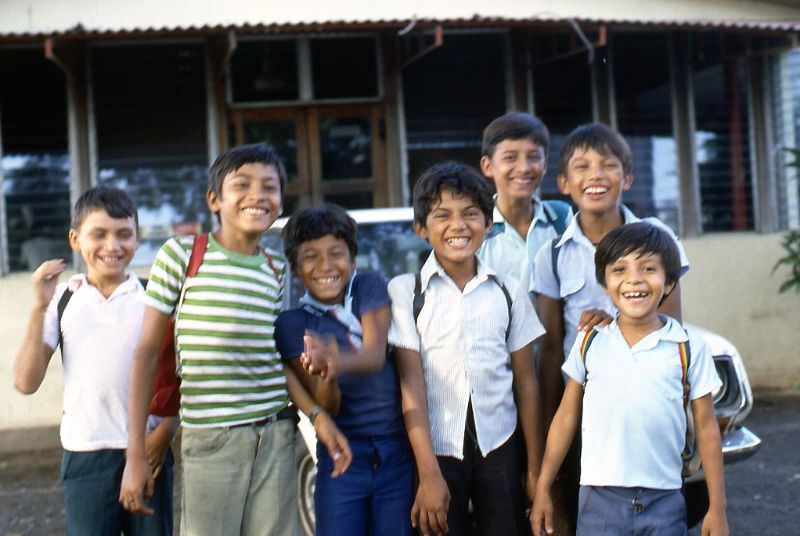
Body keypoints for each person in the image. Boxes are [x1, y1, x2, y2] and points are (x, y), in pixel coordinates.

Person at [119, 143, 349, 536]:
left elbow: (273, 359)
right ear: (215, 199)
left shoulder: (275, 269)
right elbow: (145, 355)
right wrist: (136, 454)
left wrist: (315, 416)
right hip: (212, 441)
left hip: (277, 435)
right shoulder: (182, 255)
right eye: (242, 184)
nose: (258, 195)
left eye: (270, 186)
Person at [531, 123, 691, 531]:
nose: (596, 175)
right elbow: (551, 348)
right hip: (583, 407)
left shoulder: (660, 241)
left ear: (628, 176)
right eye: (582, 167)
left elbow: (673, 329)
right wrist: (550, 421)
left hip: (646, 404)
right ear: (564, 183)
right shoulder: (552, 254)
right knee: (585, 509)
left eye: (608, 165)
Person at [531, 222, 728, 536]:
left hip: (664, 498)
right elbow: (566, 417)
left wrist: (717, 508)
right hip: (599, 500)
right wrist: (543, 486)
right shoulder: (590, 342)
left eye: (648, 268)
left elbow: (706, 428)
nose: (634, 279)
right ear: (605, 283)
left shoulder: (688, 347)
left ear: (669, 282)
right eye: (619, 269)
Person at [388, 161, 545, 536]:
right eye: (442, 216)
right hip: (435, 448)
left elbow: (526, 384)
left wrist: (536, 472)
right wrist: (428, 474)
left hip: (500, 443)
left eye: (471, 214)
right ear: (421, 229)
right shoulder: (406, 291)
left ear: (488, 225)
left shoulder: (507, 291)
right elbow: (411, 389)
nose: (458, 225)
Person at [13, 186, 176, 535]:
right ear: (74, 238)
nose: (112, 246)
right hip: (86, 453)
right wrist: (38, 306)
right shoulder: (62, 300)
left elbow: (177, 374)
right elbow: (26, 382)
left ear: (139, 237)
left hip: (149, 450)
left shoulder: (155, 298)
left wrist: (166, 431)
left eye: (123, 234)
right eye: (98, 234)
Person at [275, 203, 413, 536]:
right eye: (310, 256)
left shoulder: (368, 288)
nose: (325, 266)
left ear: (352, 260)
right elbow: (329, 407)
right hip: (342, 455)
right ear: (294, 268)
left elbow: (374, 355)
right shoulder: (293, 324)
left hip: (395, 451)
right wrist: (326, 374)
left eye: (336, 253)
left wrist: (334, 359)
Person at [476, 112, 572, 293]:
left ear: (544, 165)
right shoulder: (477, 228)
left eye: (533, 157)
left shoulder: (561, 219)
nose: (523, 168)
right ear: (487, 166)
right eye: (510, 158)